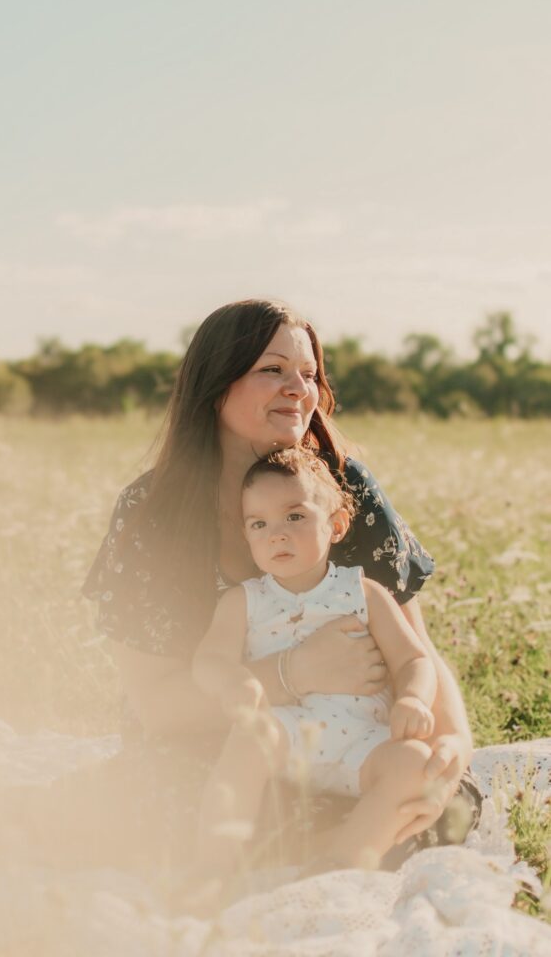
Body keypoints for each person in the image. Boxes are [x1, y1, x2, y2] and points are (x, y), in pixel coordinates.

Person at [81, 298, 479, 875]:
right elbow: (160, 709)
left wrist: (452, 744)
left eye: (310, 374)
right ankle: (264, 867)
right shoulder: (150, 515)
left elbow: (416, 649)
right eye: (273, 370)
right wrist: (295, 673)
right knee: (166, 808)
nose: (299, 388)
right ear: (216, 384)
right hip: (211, 752)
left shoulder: (341, 487)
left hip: (353, 746)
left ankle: (322, 863)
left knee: (443, 804)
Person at [192, 446, 440, 884]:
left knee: (415, 763)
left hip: (363, 740)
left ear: (337, 525)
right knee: (249, 739)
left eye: (295, 517)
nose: (277, 535)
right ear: (247, 535)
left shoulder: (364, 593)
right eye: (259, 524)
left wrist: (415, 699)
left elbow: (412, 658)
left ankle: (340, 865)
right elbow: (209, 659)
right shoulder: (244, 600)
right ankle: (212, 869)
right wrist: (232, 682)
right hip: (284, 733)